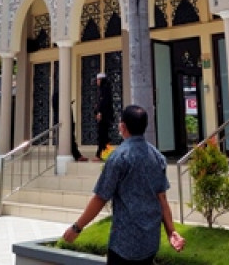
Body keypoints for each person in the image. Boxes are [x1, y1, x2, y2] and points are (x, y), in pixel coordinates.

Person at [63, 105, 185, 264]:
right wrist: (171, 232)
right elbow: (162, 199)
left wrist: (77, 227)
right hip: (150, 241)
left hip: (123, 243)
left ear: (122, 126)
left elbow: (100, 198)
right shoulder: (157, 157)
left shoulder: (119, 158)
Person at [52, 89, 88, 162]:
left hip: (68, 123)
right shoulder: (57, 96)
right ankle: (74, 156)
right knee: (69, 139)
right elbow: (57, 109)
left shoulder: (62, 100)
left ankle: (76, 155)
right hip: (63, 124)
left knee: (71, 139)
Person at [94, 72, 113, 161]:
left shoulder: (105, 89)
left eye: (98, 80)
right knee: (103, 136)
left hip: (104, 116)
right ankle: (104, 154)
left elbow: (104, 103)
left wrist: (100, 113)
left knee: (103, 135)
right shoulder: (102, 89)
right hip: (103, 116)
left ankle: (100, 154)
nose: (97, 81)